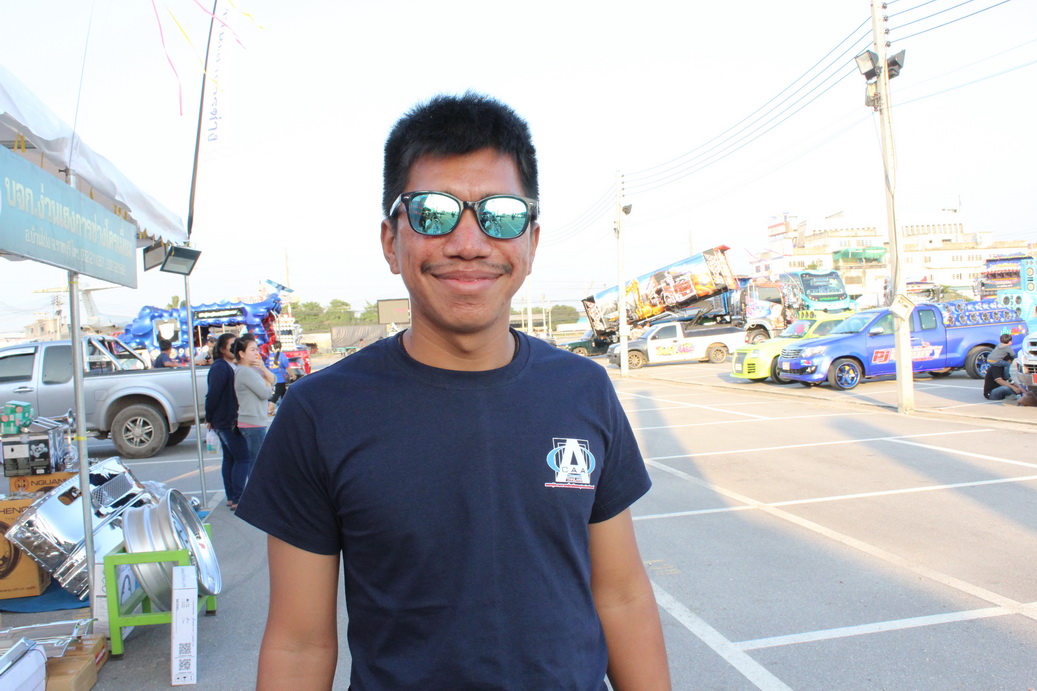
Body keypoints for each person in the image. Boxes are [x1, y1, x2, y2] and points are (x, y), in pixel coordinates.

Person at [237, 94, 670, 689]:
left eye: (501, 215)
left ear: (531, 242)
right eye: (434, 213)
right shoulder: (319, 412)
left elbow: (621, 595)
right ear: (391, 240)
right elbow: (298, 643)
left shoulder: (583, 389)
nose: (469, 242)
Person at [204, 332, 250, 510]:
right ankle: (237, 498)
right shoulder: (220, 368)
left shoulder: (231, 366)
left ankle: (232, 497)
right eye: (231, 345)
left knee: (230, 458)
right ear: (222, 349)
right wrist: (209, 418)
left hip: (226, 419)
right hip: (226, 420)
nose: (235, 348)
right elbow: (212, 395)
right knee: (242, 457)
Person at [235, 333, 276, 470]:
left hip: (255, 421)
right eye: (252, 350)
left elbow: (273, 380)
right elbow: (266, 393)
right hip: (252, 422)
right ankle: (255, 484)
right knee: (258, 463)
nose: (256, 353)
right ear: (241, 353)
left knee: (257, 461)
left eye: (257, 349)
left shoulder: (253, 369)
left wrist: (263, 368)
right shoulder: (245, 371)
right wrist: (268, 385)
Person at [263, 340, 290, 416]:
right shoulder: (282, 356)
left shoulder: (270, 356)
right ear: (281, 347)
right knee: (277, 395)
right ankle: (270, 410)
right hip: (280, 379)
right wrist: (293, 375)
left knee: (284, 395)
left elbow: (266, 366)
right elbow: (287, 367)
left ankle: (285, 410)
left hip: (272, 378)